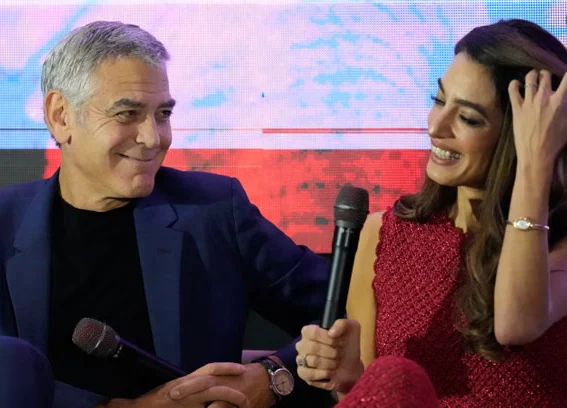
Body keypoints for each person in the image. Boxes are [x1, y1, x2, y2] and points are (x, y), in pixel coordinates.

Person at [0, 21, 334, 408]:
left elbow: (342, 310)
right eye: (127, 114)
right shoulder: (4, 224)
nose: (154, 138)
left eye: (162, 114)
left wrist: (273, 377)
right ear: (60, 115)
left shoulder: (214, 211)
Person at [295, 18, 567, 407]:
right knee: (394, 375)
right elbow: (370, 394)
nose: (436, 126)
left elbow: (515, 324)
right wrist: (350, 376)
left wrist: (535, 162)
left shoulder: (558, 243)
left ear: (522, 135)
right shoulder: (384, 233)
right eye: (439, 100)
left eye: (468, 118)